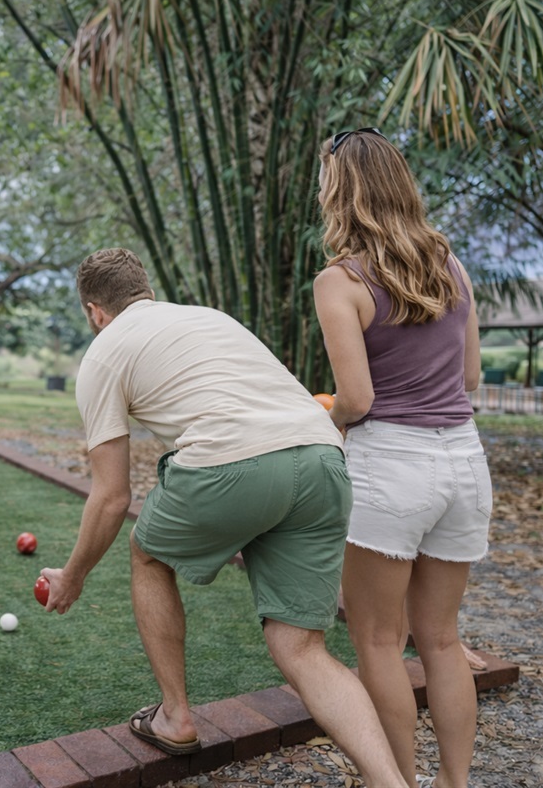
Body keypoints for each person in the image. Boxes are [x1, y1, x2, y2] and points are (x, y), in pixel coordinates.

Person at [41, 248, 406, 787]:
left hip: (233, 463)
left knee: (148, 553)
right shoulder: (210, 317)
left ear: (95, 311)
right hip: (324, 458)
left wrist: (72, 577)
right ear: (146, 289)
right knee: (301, 647)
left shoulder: (103, 353)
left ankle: (175, 716)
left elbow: (112, 496)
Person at [312, 127, 491, 788]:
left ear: (340, 191)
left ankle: (399, 786)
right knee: (441, 640)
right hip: (465, 465)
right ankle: (454, 782)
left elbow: (355, 397)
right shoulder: (450, 263)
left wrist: (320, 415)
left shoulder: (340, 281)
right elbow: (470, 377)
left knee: (379, 642)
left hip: (391, 467)